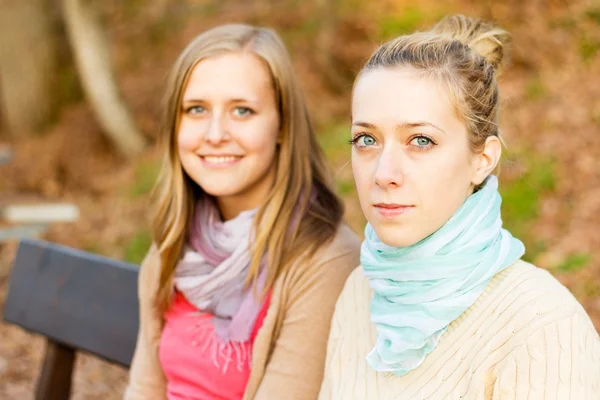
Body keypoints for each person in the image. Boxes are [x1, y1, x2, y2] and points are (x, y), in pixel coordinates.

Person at [319, 15, 600, 399]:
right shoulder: (359, 293)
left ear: (482, 159)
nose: (384, 174)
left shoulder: (541, 326)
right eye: (366, 139)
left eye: (420, 141)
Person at [124, 24, 360, 400]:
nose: (215, 133)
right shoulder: (172, 248)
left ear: (283, 125)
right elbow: (145, 390)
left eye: (242, 110)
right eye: (196, 109)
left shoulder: (326, 263)